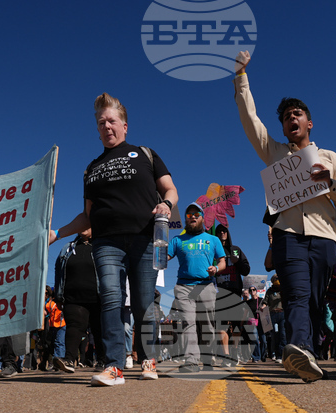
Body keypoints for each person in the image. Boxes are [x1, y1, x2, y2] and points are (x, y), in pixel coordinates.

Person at [235, 51, 336, 383]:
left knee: (316, 302)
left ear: (309, 122)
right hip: (288, 235)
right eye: (287, 116)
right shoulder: (274, 153)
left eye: (297, 114)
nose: (292, 119)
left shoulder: (330, 157)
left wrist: (328, 182)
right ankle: (300, 347)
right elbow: (250, 119)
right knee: (297, 295)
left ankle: (309, 353)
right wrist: (241, 77)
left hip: (324, 238)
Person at [50, 92, 177, 386]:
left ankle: (148, 358)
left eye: (112, 121)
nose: (107, 126)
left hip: (145, 238)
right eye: (101, 122)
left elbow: (170, 190)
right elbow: (87, 217)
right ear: (97, 129)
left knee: (145, 302)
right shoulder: (91, 169)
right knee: (110, 297)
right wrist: (58, 234)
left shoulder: (146, 154)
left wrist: (166, 205)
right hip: (106, 242)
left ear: (125, 126)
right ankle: (114, 365)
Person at [166, 202, 226, 372]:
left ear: (202, 218)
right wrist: (158, 238)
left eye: (196, 214)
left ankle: (207, 359)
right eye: (189, 214)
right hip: (184, 286)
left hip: (206, 285)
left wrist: (216, 268)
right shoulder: (177, 240)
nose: (192, 216)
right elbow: (164, 257)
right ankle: (191, 362)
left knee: (207, 325)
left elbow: (222, 261)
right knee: (188, 323)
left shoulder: (213, 240)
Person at [53, 229, 101, 373]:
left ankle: (104, 361)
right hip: (73, 297)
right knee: (74, 327)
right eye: (81, 225)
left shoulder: (101, 246)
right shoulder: (67, 248)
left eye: (87, 225)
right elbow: (58, 271)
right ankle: (69, 360)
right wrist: (58, 296)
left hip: (98, 296)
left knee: (99, 330)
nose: (83, 228)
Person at [212, 223, 251, 366]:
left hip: (234, 293)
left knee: (235, 326)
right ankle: (227, 356)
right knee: (221, 325)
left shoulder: (235, 250)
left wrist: (238, 262)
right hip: (219, 294)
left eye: (224, 231)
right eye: (219, 231)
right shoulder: (212, 251)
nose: (222, 233)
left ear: (228, 233)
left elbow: (246, 270)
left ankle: (234, 352)